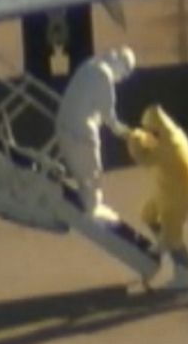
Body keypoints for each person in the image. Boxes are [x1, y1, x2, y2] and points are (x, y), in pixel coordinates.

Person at [125, 105, 188, 289]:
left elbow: (144, 159)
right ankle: (168, 244)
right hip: (168, 190)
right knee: (148, 215)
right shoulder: (168, 135)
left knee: (172, 237)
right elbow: (150, 143)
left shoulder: (170, 145)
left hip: (180, 194)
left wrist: (133, 140)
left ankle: (186, 271)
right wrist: (137, 136)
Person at [55, 46, 136, 220]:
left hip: (65, 126)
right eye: (125, 73)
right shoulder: (104, 76)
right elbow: (109, 117)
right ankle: (93, 207)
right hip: (81, 131)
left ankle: (89, 200)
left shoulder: (91, 64)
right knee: (93, 172)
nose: (122, 78)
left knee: (85, 171)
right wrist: (129, 134)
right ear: (122, 66)